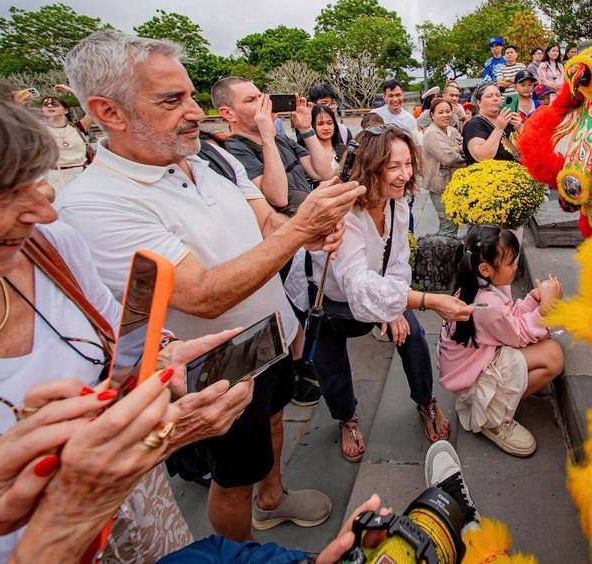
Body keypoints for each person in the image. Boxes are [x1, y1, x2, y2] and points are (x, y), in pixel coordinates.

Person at [0, 49, 253, 562]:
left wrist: (160, 358)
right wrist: (58, 513)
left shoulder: (48, 246)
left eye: (33, 181)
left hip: (146, 520)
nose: (43, 211)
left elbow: (114, 334)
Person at [57, 30, 364, 542]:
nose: (194, 112)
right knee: (233, 476)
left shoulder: (210, 159)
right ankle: (240, 551)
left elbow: (266, 221)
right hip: (218, 367)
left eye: (192, 96)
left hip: (270, 334)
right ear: (108, 112)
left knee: (273, 418)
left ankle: (273, 497)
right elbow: (201, 294)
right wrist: (299, 231)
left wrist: (306, 236)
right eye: (171, 100)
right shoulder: (96, 204)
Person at [285, 126, 474, 461]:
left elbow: (399, 260)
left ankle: (426, 401)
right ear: (369, 169)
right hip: (326, 300)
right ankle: (346, 418)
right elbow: (358, 285)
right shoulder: (343, 213)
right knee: (330, 365)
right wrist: (427, 301)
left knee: (413, 335)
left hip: (378, 287)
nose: (405, 175)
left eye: (408, 164)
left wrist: (396, 308)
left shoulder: (396, 204)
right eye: (393, 167)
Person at [438, 225, 564, 457]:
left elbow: (507, 322)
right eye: (510, 263)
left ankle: (504, 394)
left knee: (545, 344)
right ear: (485, 268)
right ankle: (492, 416)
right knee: (553, 357)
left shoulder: (476, 286)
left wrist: (531, 301)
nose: (515, 267)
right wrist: (545, 310)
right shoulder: (487, 303)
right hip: (472, 382)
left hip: (474, 364)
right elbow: (517, 335)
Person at [211, 77, 332, 216]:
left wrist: (306, 128)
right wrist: (267, 137)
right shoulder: (232, 149)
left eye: (261, 97)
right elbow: (278, 198)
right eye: (250, 100)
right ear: (228, 113)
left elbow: (324, 173)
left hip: (311, 218)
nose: (263, 104)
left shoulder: (280, 139)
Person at [422, 99, 467, 234]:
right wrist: (461, 151)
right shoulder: (431, 134)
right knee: (448, 225)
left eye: (448, 111)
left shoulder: (452, 130)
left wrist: (457, 149)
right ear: (432, 115)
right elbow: (449, 158)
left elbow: (465, 145)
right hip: (440, 186)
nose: (445, 115)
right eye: (440, 112)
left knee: (453, 223)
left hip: (455, 184)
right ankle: (442, 247)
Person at [39, 95, 89, 192]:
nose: (49, 106)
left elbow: (91, 110)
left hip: (82, 172)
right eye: (45, 104)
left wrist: (71, 91)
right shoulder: (40, 130)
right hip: (57, 175)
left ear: (66, 110)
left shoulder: (78, 128)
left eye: (54, 104)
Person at [462, 83, 521, 164]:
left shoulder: (508, 119)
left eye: (498, 95)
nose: (495, 99)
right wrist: (499, 128)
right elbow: (481, 157)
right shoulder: (474, 124)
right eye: (489, 96)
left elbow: (532, 148)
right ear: (479, 102)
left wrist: (520, 128)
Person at [306, 103, 350, 178]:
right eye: (320, 124)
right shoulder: (305, 154)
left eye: (329, 123)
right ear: (312, 125)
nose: (326, 128)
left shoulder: (344, 150)